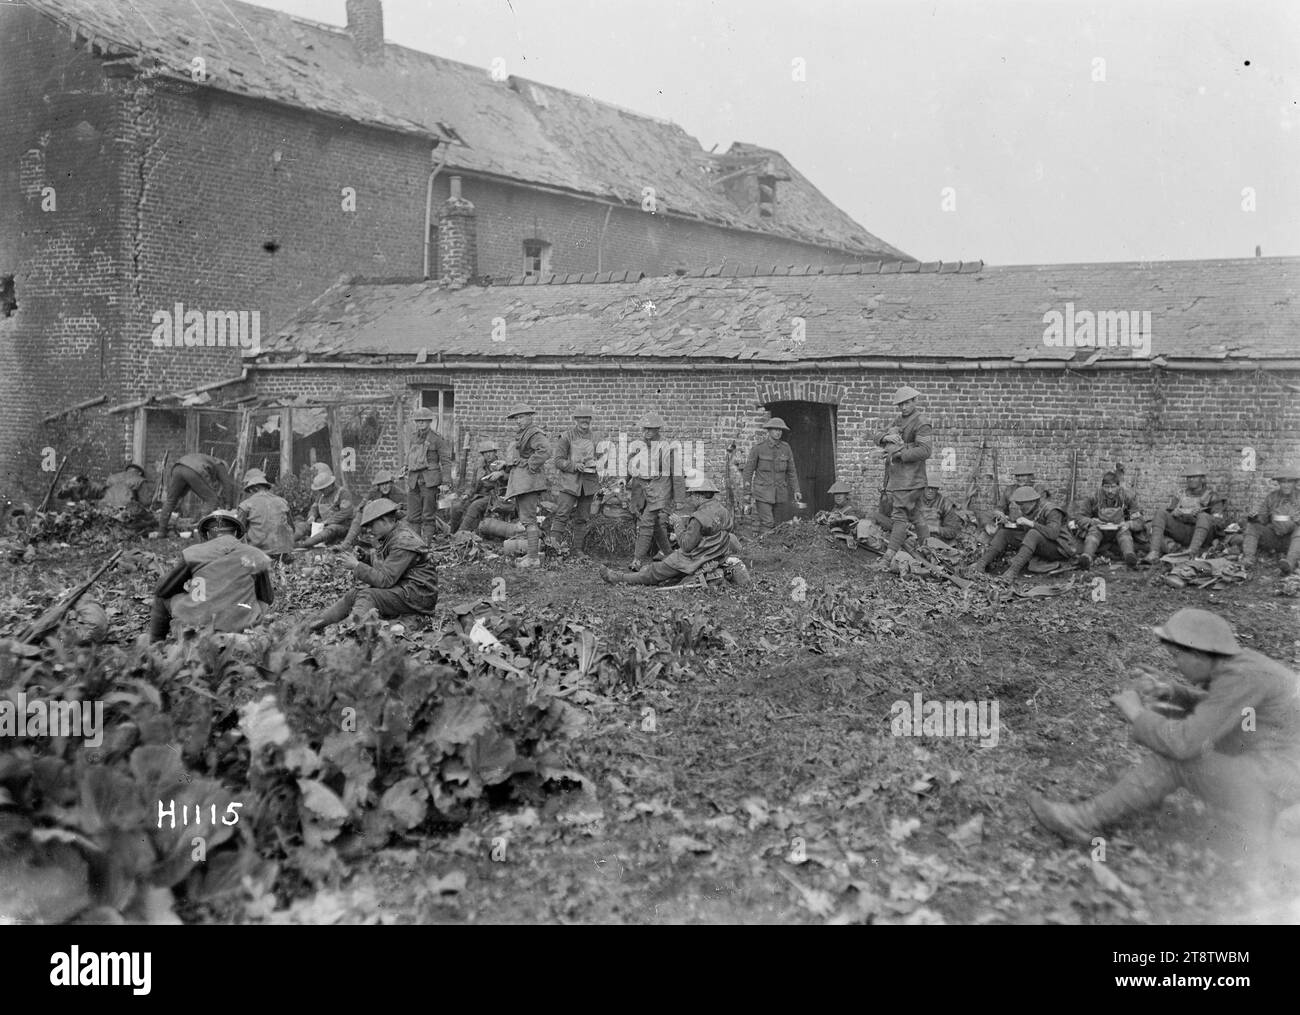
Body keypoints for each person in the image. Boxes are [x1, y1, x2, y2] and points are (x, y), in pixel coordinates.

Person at [1029, 609, 1300, 852]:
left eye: (1177, 656)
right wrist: (1173, 693)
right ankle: (1132, 799)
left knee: (1177, 762)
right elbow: (1223, 708)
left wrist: (1137, 713)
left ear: (1199, 654)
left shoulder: (1242, 677)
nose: (1175, 664)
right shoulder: (1243, 665)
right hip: (1281, 774)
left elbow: (1184, 743)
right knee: (1185, 738)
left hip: (1281, 793)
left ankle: (1082, 820)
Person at [307, 498, 439, 631]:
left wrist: (357, 566)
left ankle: (353, 631)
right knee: (354, 594)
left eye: (372, 525)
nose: (369, 530)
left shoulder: (403, 541)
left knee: (368, 595)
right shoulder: (392, 535)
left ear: (387, 520)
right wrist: (365, 557)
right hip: (406, 589)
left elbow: (384, 580)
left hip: (417, 596)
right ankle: (315, 624)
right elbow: (387, 563)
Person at [148, 509, 273, 641]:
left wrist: (193, 590)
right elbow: (267, 598)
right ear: (236, 532)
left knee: (162, 597)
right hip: (242, 627)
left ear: (207, 534)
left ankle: (156, 644)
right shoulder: (255, 554)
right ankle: (248, 632)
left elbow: (163, 588)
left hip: (199, 627)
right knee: (259, 601)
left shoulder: (192, 553)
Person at [600, 472, 741, 586]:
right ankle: (670, 576)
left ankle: (618, 578)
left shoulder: (699, 518)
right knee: (665, 568)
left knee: (654, 571)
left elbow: (686, 546)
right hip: (712, 555)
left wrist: (678, 525)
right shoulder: (723, 511)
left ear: (699, 496)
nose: (689, 498)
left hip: (694, 558)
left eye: (691, 495)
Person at [874, 385, 933, 573]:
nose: (903, 407)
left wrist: (898, 453)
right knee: (916, 515)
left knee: (899, 517)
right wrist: (886, 437)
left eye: (907, 403)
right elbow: (877, 436)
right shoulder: (899, 419)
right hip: (900, 478)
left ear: (915, 401)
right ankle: (930, 553)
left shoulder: (921, 422)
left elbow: (925, 451)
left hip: (911, 478)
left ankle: (887, 558)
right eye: (900, 404)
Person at [969, 485, 1077, 579]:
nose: (1020, 508)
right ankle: (981, 563)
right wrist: (1007, 522)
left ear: (1032, 501)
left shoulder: (1052, 510)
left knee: (1033, 534)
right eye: (1018, 504)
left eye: (1022, 504)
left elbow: (1053, 534)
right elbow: (1028, 529)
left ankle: (1011, 572)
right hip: (1042, 544)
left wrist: (1030, 523)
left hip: (1060, 549)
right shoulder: (1032, 509)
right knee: (1004, 533)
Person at [627, 411, 685, 569]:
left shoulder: (668, 448)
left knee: (646, 522)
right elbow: (630, 466)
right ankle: (669, 554)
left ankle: (637, 560)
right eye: (644, 429)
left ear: (657, 429)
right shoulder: (638, 446)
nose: (646, 432)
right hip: (642, 491)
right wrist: (622, 480)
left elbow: (677, 473)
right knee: (657, 525)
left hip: (661, 491)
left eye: (650, 429)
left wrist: (679, 499)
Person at [1144, 466, 1227, 563]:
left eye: (1194, 477)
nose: (1190, 480)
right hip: (1183, 531)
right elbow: (1169, 512)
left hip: (1203, 534)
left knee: (1204, 517)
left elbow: (1219, 523)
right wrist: (1174, 513)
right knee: (1160, 512)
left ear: (1202, 479)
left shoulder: (1212, 496)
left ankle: (1191, 553)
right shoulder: (1180, 494)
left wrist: (1202, 514)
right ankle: (1154, 552)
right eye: (1188, 477)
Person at [503, 403, 551, 569]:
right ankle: (532, 555)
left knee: (529, 520)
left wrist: (529, 465)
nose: (518, 421)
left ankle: (532, 558)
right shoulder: (524, 434)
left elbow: (545, 450)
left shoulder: (534, 433)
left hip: (529, 482)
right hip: (523, 482)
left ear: (530, 417)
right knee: (526, 519)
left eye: (521, 417)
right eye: (516, 418)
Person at [552, 405, 602, 555]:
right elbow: (558, 461)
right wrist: (574, 466)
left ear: (590, 420)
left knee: (582, 518)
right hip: (570, 483)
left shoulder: (596, 438)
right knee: (562, 515)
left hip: (588, 483)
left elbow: (602, 459)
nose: (585, 421)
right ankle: (553, 548)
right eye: (581, 418)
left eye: (587, 418)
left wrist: (598, 463)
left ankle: (577, 550)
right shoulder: (566, 437)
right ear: (576, 420)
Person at [403, 407, 455, 544]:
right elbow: (410, 456)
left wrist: (446, 482)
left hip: (429, 481)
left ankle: (425, 543)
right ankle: (415, 544)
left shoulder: (437, 439)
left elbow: (446, 461)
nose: (420, 423)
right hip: (413, 480)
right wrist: (405, 467)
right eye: (418, 421)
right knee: (412, 516)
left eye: (423, 421)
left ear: (429, 421)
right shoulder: (413, 437)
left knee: (428, 515)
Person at [1073, 471, 1144, 568]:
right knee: (1093, 533)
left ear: (1118, 487)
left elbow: (1139, 520)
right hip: (1098, 529)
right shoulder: (1093, 497)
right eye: (1106, 487)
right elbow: (1079, 517)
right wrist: (1092, 521)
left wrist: (1128, 524)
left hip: (1120, 528)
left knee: (1125, 534)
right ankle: (1086, 557)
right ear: (1102, 487)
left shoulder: (1127, 497)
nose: (1110, 491)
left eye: (1113, 487)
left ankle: (1129, 556)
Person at [157, 452, 237, 537]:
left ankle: (161, 531)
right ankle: (201, 531)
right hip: (193, 470)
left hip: (178, 468)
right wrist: (229, 505)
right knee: (212, 500)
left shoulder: (205, 459)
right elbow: (228, 485)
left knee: (171, 500)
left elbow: (195, 486)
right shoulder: (220, 465)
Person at [742, 417, 801, 531]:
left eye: (780, 430)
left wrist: (796, 490)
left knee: (779, 524)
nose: (778, 432)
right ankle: (763, 547)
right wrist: (747, 494)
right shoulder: (758, 449)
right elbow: (748, 472)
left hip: (780, 493)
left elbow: (791, 471)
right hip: (763, 493)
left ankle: (775, 548)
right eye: (775, 429)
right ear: (768, 431)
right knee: (768, 522)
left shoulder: (786, 448)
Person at [1241, 465, 1300, 575]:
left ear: (1295, 483)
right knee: (1252, 526)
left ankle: (1290, 563)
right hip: (1274, 538)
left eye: (1289, 482)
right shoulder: (1271, 497)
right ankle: (1248, 559)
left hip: (1293, 542)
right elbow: (1263, 519)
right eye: (1283, 482)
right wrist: (1254, 517)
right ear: (1279, 483)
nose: (1286, 485)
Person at [456, 441, 512, 535]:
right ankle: (452, 533)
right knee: (457, 506)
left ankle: (460, 533)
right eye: (485, 453)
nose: (488, 455)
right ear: (482, 454)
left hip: (496, 496)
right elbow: (473, 485)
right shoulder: (479, 467)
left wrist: (500, 474)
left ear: (495, 452)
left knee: (475, 506)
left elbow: (511, 476)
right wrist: (467, 494)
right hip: (479, 494)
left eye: (491, 452)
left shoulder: (503, 465)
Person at [340, 469, 403, 550]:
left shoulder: (399, 493)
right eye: (381, 484)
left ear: (391, 483)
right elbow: (359, 509)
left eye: (387, 483)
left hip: (391, 521)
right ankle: (345, 544)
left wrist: (397, 510)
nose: (384, 487)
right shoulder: (373, 492)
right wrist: (367, 506)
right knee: (359, 517)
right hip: (375, 520)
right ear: (378, 486)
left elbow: (407, 513)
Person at [237, 468, 294, 556]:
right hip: (285, 552)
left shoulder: (246, 505)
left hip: (261, 555)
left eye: (249, 492)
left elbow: (238, 533)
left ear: (252, 490)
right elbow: (292, 528)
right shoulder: (282, 502)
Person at [294, 466, 354, 548]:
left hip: (341, 526)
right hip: (322, 524)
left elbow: (345, 512)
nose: (321, 491)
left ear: (331, 485)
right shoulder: (321, 495)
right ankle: (289, 541)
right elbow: (314, 508)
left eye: (323, 489)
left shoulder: (343, 493)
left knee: (330, 530)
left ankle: (304, 544)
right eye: (320, 489)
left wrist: (327, 522)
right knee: (301, 526)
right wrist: (312, 516)